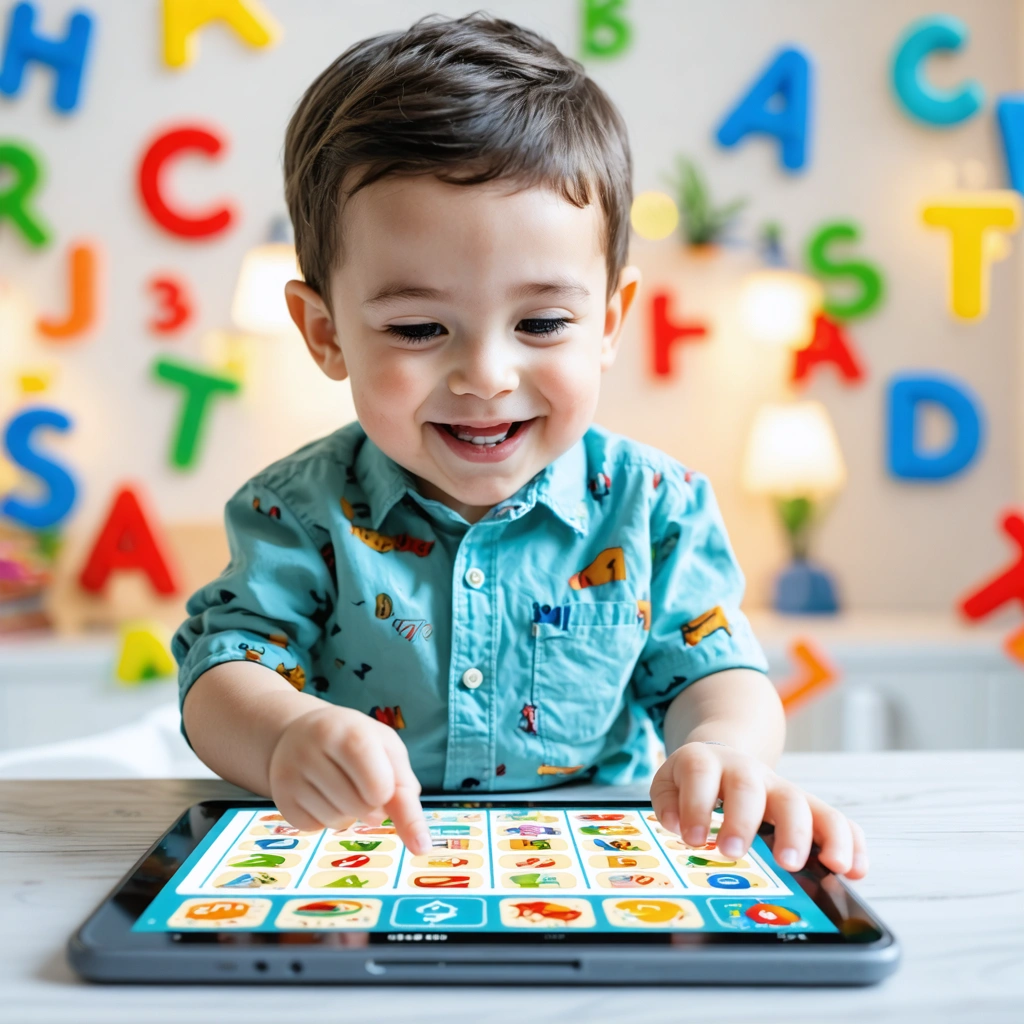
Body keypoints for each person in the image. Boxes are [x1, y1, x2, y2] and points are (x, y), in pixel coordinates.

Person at [174, 12, 867, 879]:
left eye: (541, 322)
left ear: (609, 322)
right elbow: (221, 675)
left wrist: (727, 748)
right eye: (421, 327)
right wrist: (284, 733)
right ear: (326, 333)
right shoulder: (298, 512)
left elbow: (713, 671)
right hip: (362, 870)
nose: (487, 375)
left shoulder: (654, 508)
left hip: (598, 874)